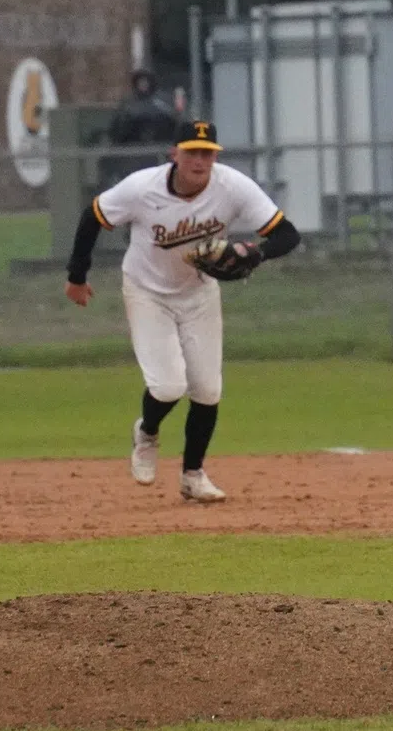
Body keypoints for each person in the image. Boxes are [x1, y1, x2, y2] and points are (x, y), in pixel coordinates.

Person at [65, 120, 299, 502]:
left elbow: (287, 234)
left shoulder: (232, 187)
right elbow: (93, 216)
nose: (200, 160)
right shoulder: (142, 188)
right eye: (192, 151)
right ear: (174, 154)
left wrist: (255, 253)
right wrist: (77, 276)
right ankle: (147, 432)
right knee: (169, 385)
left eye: (207, 153)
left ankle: (193, 475)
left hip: (198, 292)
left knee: (207, 390)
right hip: (146, 291)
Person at [107, 70, 181, 149]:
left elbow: (173, 121)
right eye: (140, 82)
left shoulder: (162, 101)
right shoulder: (128, 103)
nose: (143, 84)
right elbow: (117, 129)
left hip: (159, 146)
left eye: (146, 82)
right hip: (132, 148)